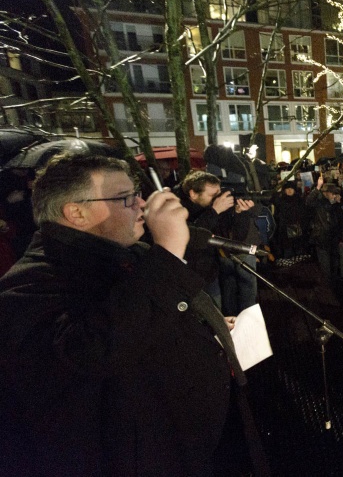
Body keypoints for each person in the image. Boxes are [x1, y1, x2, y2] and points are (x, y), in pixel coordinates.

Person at [0, 154, 267, 476]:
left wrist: (201, 325)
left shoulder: (130, 256)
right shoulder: (28, 284)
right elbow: (89, 351)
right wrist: (168, 252)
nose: (141, 205)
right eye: (125, 198)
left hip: (198, 446)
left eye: (138, 194)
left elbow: (144, 314)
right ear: (76, 212)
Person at [174, 170, 259, 316]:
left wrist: (240, 213)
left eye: (218, 193)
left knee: (218, 315)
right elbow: (189, 238)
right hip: (187, 277)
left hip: (210, 272)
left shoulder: (212, 206)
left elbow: (235, 236)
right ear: (193, 194)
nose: (217, 198)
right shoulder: (176, 207)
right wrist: (214, 211)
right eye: (213, 195)